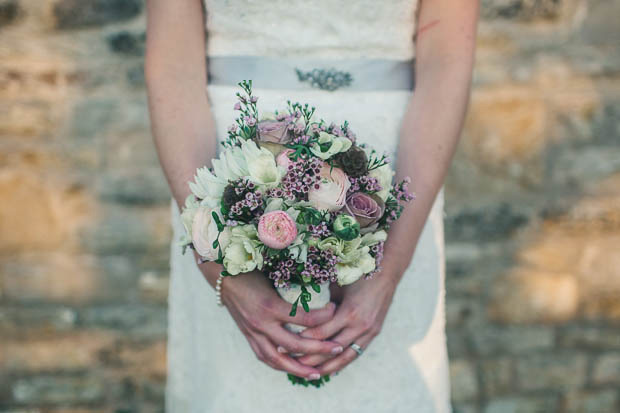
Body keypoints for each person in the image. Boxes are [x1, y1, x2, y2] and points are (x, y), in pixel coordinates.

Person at [146, 0, 478, 411]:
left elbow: (446, 63)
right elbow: (172, 69)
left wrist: (389, 270)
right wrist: (219, 267)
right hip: (228, 173)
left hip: (398, 177)